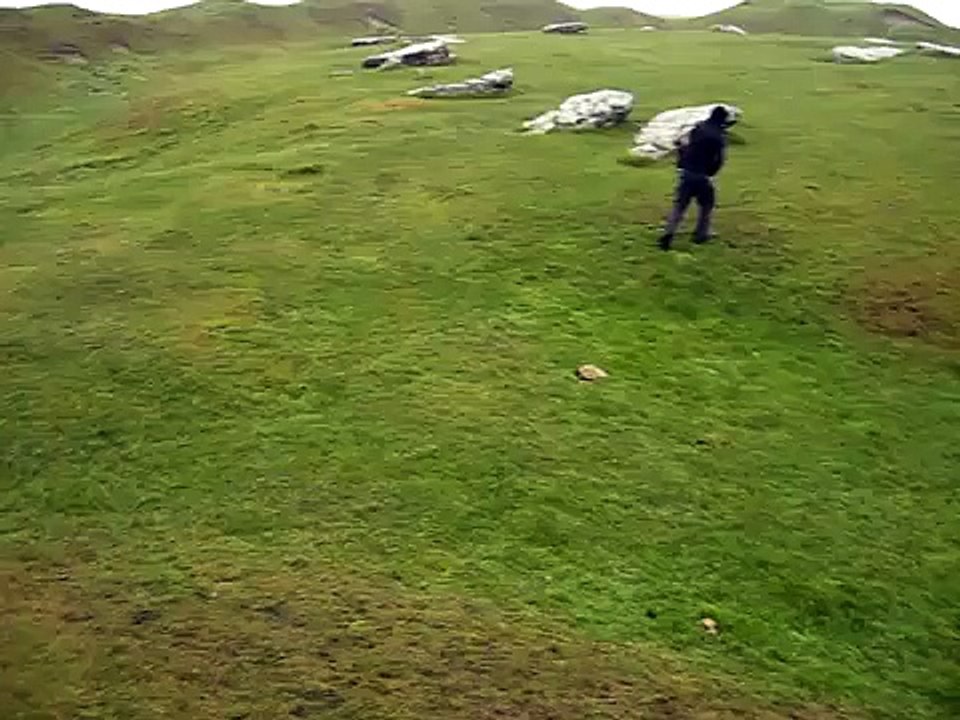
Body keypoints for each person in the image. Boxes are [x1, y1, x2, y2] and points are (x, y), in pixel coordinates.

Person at [658, 105, 729, 251]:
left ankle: (668, 233)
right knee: (706, 205)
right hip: (703, 176)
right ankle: (701, 234)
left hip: (687, 172)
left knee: (679, 206)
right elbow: (719, 160)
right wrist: (711, 173)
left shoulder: (699, 128)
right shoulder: (719, 137)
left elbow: (686, 145)